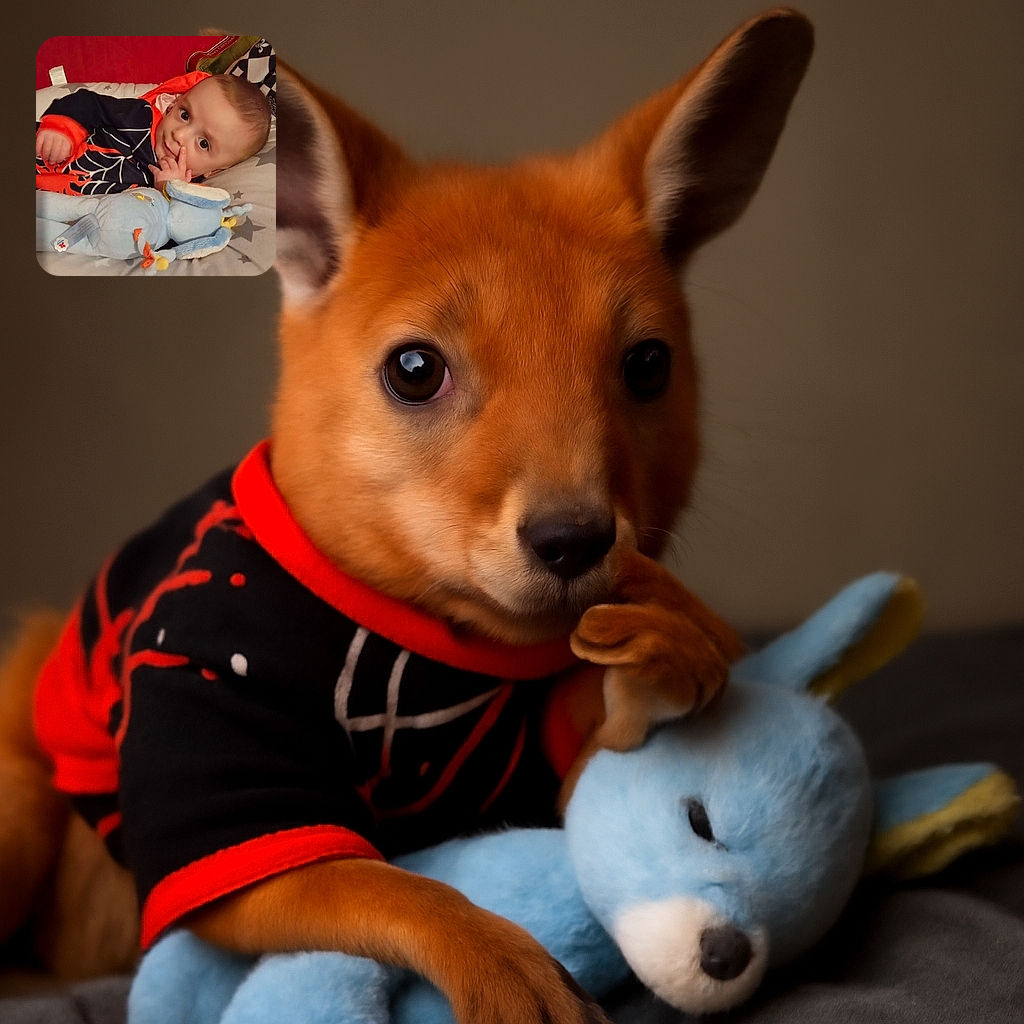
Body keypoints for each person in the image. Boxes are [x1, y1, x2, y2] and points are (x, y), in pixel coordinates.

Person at [36, 71, 271, 195]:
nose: (180, 135)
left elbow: (175, 232)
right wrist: (62, 128)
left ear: (215, 171)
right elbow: (89, 103)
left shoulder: (194, 192)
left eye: (203, 143)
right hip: (44, 153)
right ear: (172, 105)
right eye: (185, 115)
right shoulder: (139, 117)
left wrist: (172, 192)